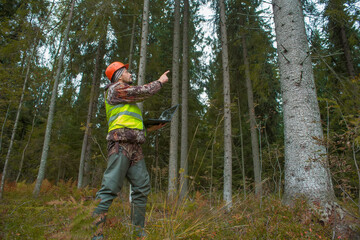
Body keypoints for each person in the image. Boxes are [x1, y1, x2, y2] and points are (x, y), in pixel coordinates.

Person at [91, 61, 169, 239]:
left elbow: (130, 124)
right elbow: (142, 92)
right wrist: (160, 82)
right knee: (109, 189)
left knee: (142, 188)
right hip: (120, 144)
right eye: (126, 71)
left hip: (135, 147)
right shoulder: (115, 89)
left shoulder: (125, 98)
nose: (130, 73)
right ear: (119, 75)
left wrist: (151, 127)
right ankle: (96, 235)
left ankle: (137, 233)